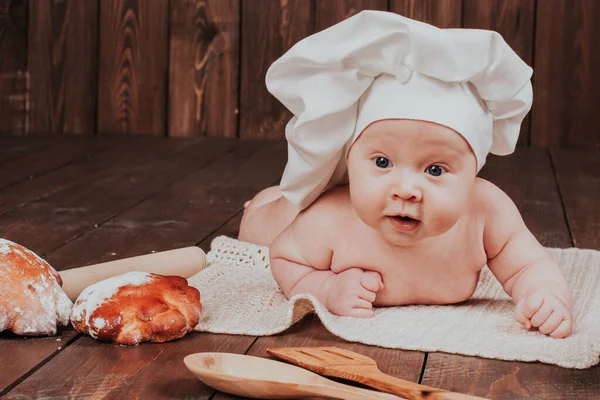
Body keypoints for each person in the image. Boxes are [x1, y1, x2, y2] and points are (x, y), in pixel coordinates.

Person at [238, 11, 573, 338]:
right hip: (289, 217)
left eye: (435, 169)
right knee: (266, 221)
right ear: (351, 160)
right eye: (382, 162)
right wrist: (325, 287)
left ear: (473, 174)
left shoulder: (485, 213)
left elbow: (529, 266)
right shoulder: (331, 218)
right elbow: (284, 257)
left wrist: (547, 296)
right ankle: (263, 202)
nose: (407, 190)